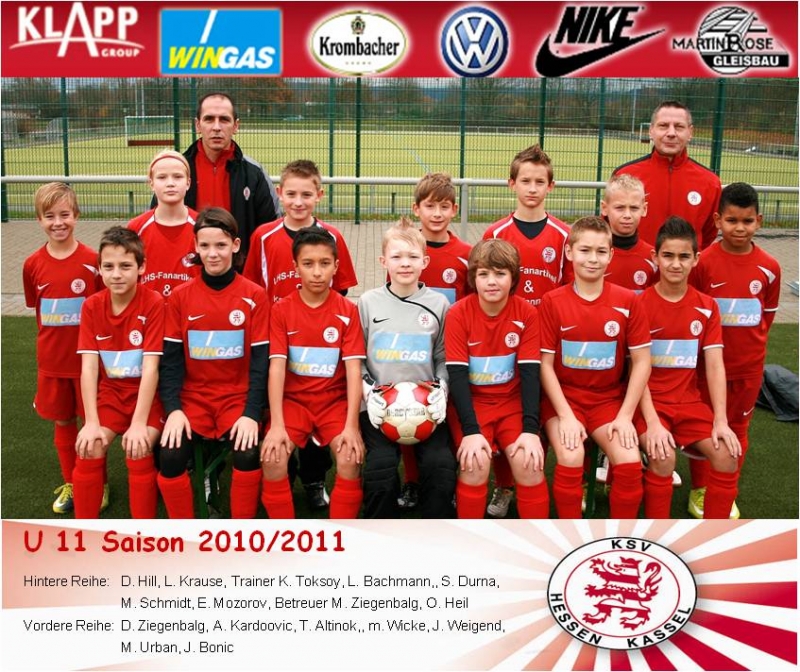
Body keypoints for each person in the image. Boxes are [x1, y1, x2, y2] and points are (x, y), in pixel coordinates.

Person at [244, 159, 358, 509]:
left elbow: (341, 293)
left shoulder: (332, 237)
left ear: (319, 195)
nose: (298, 201)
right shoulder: (263, 236)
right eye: (291, 194)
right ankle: (283, 480)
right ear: (279, 193)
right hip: (278, 339)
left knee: (320, 428)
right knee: (279, 421)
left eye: (306, 194)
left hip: (321, 344)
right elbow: (253, 289)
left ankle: (313, 480)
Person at [157, 208, 268, 518]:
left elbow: (261, 363)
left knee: (247, 453)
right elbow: (171, 361)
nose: (212, 253)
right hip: (193, 399)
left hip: (237, 398)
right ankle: (184, 531)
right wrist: (173, 409)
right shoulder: (179, 297)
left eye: (220, 245)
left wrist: (251, 413)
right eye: (204, 246)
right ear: (195, 246)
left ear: (235, 245)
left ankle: (240, 530)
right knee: (170, 455)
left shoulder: (255, 296)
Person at [539, 217, 651, 519]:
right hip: (564, 400)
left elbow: (642, 361)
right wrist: (565, 416)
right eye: (585, 250)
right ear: (569, 252)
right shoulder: (552, 301)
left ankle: (621, 536)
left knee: (629, 461)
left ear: (611, 255)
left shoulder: (628, 301)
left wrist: (625, 416)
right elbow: (545, 365)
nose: (593, 258)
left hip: (607, 401)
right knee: (571, 455)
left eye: (601, 251)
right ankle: (572, 532)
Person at [482, 144, 570, 518]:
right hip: (505, 344)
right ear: (512, 184)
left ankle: (534, 478)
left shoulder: (564, 235)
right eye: (525, 181)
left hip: (549, 345)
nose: (532, 188)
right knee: (507, 413)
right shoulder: (496, 232)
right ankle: (504, 486)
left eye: (539, 182)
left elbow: (570, 291)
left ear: (551, 186)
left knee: (539, 413)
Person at [637, 217, 741, 519]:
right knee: (663, 457)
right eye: (668, 255)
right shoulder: (639, 305)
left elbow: (714, 366)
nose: (675, 264)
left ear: (696, 259)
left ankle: (715, 533)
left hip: (688, 404)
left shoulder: (707, 306)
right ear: (655, 257)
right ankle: (656, 532)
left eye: (684, 256)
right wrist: (652, 422)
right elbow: (635, 371)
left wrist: (721, 420)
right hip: (648, 406)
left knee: (727, 455)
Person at [690, 182, 781, 519]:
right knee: (705, 428)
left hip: (747, 369)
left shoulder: (770, 266)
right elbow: (694, 313)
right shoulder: (703, 263)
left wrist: (749, 352)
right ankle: (700, 489)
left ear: (759, 221)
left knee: (738, 429)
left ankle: (726, 490)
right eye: (731, 220)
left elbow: (766, 317)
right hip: (706, 367)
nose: (739, 228)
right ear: (717, 220)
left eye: (747, 221)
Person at [260, 227, 365, 519]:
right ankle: (285, 536)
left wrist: (352, 426)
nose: (317, 272)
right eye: (308, 264)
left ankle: (341, 537)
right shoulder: (281, 310)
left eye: (324, 263)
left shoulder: (348, 310)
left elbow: (353, 370)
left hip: (333, 403)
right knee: (273, 458)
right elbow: (276, 368)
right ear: (295, 267)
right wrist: (277, 424)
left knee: (350, 457)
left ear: (336, 266)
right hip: (294, 403)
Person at [358, 217, 456, 518]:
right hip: (378, 407)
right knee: (380, 468)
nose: (404, 263)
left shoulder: (439, 304)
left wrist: (442, 388)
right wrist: (367, 390)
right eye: (397, 256)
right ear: (383, 261)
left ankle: (434, 529)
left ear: (425, 261)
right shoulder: (367, 302)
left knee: (441, 466)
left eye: (413, 257)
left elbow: (442, 357)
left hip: (427, 407)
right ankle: (381, 529)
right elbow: (356, 357)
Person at [444, 239, 548, 519]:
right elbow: (457, 377)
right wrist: (470, 431)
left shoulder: (526, 313)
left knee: (529, 463)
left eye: (500, 273)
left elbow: (530, 374)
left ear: (513, 278)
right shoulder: (458, 313)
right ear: (473, 278)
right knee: (475, 463)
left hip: (511, 404)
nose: (491, 281)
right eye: (483, 274)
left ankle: (538, 539)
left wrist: (530, 430)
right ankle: (472, 538)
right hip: (473, 404)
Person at [23, 182, 103, 514]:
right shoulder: (32, 264)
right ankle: (71, 482)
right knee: (63, 422)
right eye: (50, 216)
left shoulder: (93, 261)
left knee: (92, 424)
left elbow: (102, 310)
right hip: (52, 363)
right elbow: (36, 307)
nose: (58, 222)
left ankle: (96, 484)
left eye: (65, 214)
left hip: (88, 365)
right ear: (39, 220)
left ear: (77, 215)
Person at [74, 227, 164, 518]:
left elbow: (151, 368)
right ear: (99, 269)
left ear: (141, 267)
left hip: (147, 399)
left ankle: (142, 533)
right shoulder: (91, 306)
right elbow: (89, 368)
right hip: (112, 396)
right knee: (89, 447)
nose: (116, 274)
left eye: (125, 266)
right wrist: (91, 422)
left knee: (138, 447)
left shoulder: (154, 303)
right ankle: (84, 531)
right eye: (108, 266)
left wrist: (138, 423)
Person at [398, 172, 472, 512]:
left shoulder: (466, 254)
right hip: (413, 350)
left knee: (450, 414)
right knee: (408, 412)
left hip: (451, 352)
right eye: (430, 206)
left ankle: (451, 481)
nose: (437, 213)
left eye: (444, 206)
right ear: (417, 209)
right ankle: (412, 481)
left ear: (455, 210)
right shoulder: (407, 251)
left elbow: (470, 305)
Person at [154, 92, 280, 264]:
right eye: (209, 119)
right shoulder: (178, 170)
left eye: (224, 120)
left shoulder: (254, 173)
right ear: (198, 125)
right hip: (185, 270)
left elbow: (271, 230)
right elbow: (155, 222)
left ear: (235, 126)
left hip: (238, 272)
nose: (216, 127)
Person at [613, 100, 721, 250]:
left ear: (690, 132)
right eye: (663, 126)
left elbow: (709, 233)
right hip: (637, 264)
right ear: (651, 130)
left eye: (679, 127)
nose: (671, 133)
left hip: (685, 265)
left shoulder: (710, 182)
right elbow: (611, 224)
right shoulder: (625, 175)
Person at [129, 150, 199, 300]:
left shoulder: (202, 226)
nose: (170, 183)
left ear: (188, 183)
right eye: (162, 177)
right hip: (148, 312)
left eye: (178, 176)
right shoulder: (136, 228)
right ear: (151, 183)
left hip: (191, 311)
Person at [600, 174, 658, 293]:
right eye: (620, 208)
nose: (627, 215)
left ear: (644, 209)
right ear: (604, 208)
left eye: (634, 208)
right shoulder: (592, 256)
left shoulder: (654, 258)